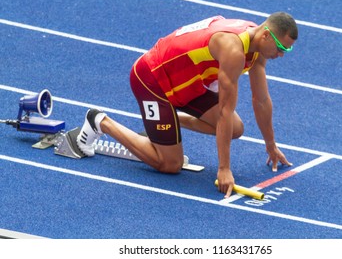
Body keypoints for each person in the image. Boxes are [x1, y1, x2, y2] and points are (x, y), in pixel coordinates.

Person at [76, 12, 298, 198]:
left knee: (236, 128)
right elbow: (224, 110)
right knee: (170, 164)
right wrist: (224, 169)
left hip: (188, 84)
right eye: (281, 48)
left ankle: (167, 123)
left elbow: (261, 100)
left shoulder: (257, 44)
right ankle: (100, 121)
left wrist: (270, 144)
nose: (281, 55)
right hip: (153, 79)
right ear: (267, 34)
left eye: (287, 51)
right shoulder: (233, 50)